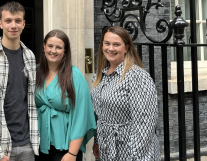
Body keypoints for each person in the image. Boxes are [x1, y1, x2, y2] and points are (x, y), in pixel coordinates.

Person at [0, 1, 39, 161]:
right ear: (0, 24)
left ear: (24, 24)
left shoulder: (29, 56)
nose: (13, 25)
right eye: (8, 20)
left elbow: (30, 100)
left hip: (26, 143)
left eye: (18, 21)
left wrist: (33, 141)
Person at [91, 26, 160, 160]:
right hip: (107, 149)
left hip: (131, 150)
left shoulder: (137, 77)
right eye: (107, 43)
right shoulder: (99, 75)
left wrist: (134, 155)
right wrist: (97, 141)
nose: (110, 48)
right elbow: (99, 115)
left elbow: (145, 124)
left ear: (126, 48)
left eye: (116, 44)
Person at [35, 29, 96, 161]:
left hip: (65, 150)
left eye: (59, 47)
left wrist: (72, 153)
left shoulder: (74, 75)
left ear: (65, 51)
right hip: (38, 147)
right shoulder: (35, 72)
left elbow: (81, 115)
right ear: (44, 47)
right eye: (50, 46)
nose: (53, 50)